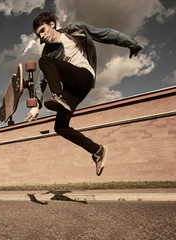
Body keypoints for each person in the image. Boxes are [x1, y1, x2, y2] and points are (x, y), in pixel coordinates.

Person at [25, 12, 143, 176]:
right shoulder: (48, 52)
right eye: (39, 35)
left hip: (84, 76)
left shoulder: (75, 30)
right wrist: (36, 105)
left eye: (43, 30)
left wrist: (132, 44)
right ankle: (97, 150)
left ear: (52, 24)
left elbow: (105, 34)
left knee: (44, 62)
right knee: (60, 127)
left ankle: (58, 97)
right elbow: (41, 81)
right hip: (73, 89)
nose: (42, 36)